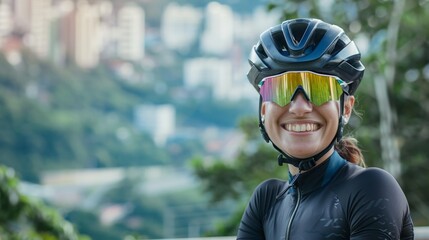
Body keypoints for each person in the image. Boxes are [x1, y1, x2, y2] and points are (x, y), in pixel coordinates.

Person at [237, 18, 414, 239]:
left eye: (320, 89)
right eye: (280, 90)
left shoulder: (371, 188)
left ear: (346, 109)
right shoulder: (267, 199)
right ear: (263, 110)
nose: (299, 107)